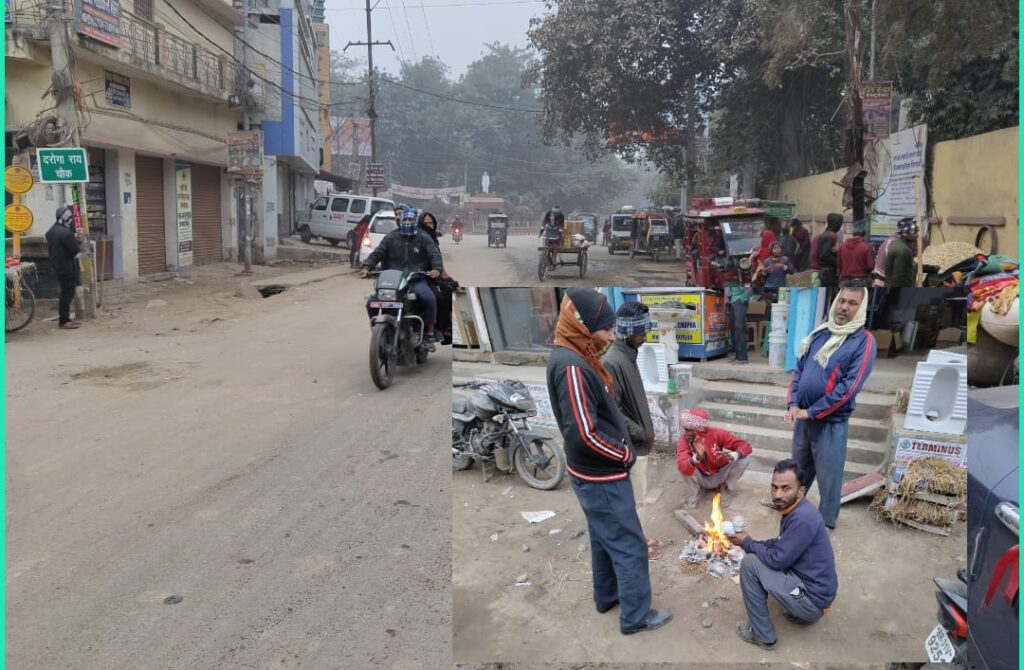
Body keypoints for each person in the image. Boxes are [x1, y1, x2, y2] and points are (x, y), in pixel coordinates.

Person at [546, 289, 673, 635]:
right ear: (583, 325)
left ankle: (607, 597)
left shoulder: (576, 354)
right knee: (630, 546)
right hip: (601, 475)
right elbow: (583, 432)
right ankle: (636, 616)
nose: (610, 336)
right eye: (604, 329)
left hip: (593, 473)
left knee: (604, 539)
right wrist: (625, 455)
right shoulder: (571, 365)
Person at [784, 288, 876, 529]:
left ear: (861, 308)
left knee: (829, 478)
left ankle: (825, 524)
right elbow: (799, 371)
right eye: (842, 301)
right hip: (803, 419)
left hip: (830, 424)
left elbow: (849, 388)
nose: (844, 307)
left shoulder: (863, 341)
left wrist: (812, 411)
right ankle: (793, 511)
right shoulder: (820, 334)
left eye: (852, 303)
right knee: (798, 471)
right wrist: (793, 404)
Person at [726, 459, 837, 650]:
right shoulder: (797, 510)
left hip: (812, 602)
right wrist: (750, 542)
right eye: (774, 487)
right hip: (815, 597)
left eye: (786, 489)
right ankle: (799, 612)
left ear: (800, 491)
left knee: (750, 564)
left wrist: (748, 544)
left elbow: (777, 559)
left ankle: (763, 636)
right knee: (759, 553)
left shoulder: (802, 518)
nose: (778, 495)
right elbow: (780, 544)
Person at [601, 302, 660, 561]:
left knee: (638, 501)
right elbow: (612, 411)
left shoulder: (628, 356)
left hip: (638, 445)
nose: (644, 337)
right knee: (634, 503)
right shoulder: (613, 362)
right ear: (627, 332)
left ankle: (638, 539)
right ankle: (636, 548)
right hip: (630, 447)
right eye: (640, 332)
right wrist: (641, 433)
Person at [360, 207, 444, 351]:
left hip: (415, 279)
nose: (407, 222)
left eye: (411, 219)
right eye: (405, 219)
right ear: (400, 221)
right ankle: (378, 330)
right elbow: (378, 253)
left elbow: (434, 254)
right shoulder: (391, 237)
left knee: (429, 298)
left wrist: (436, 268)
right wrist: (367, 266)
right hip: (393, 280)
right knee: (371, 302)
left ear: (416, 221)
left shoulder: (424, 237)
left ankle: (429, 333)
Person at [676, 408, 752, 508]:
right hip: (701, 478)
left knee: (744, 460)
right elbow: (682, 464)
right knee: (684, 467)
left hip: (719, 475)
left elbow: (746, 446)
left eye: (688, 429)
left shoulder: (717, 434)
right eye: (684, 429)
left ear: (699, 430)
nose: (685, 433)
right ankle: (696, 493)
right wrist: (695, 459)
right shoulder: (683, 441)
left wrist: (734, 455)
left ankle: (725, 488)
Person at [45, 205, 83, 330]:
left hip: (57, 266)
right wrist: (78, 241)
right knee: (67, 293)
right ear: (66, 218)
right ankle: (64, 321)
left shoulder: (51, 231)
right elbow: (75, 251)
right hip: (67, 267)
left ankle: (65, 318)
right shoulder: (66, 233)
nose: (71, 220)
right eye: (70, 218)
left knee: (64, 292)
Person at [837, 219, 874, 287]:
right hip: (860, 281)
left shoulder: (843, 246)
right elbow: (870, 266)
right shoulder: (866, 247)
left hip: (844, 281)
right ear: (864, 233)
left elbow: (839, 264)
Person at [884, 218, 919, 287]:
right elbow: (899, 276)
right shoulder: (903, 250)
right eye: (915, 233)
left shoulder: (898, 244)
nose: (917, 235)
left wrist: (931, 268)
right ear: (907, 234)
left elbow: (910, 266)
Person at [811, 213, 842, 291]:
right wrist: (837, 262)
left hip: (824, 271)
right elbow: (824, 254)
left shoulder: (824, 235)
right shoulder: (831, 236)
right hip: (829, 272)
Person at [727, 280, 752, 365]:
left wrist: (742, 299)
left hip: (740, 301)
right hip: (733, 302)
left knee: (739, 328)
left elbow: (749, 290)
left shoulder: (743, 273)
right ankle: (737, 356)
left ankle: (742, 358)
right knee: (733, 328)